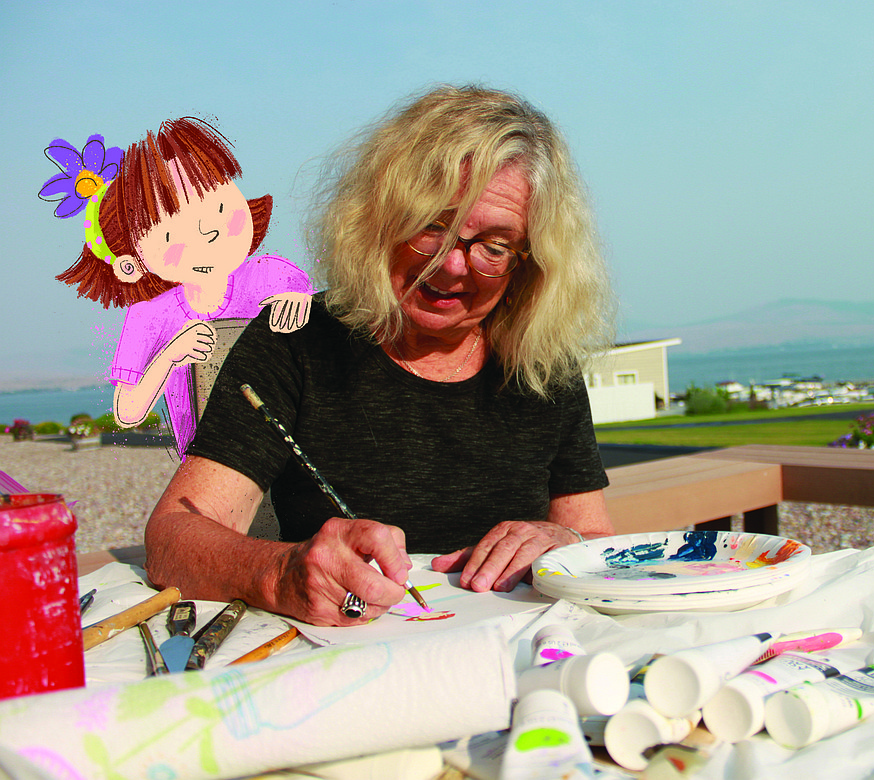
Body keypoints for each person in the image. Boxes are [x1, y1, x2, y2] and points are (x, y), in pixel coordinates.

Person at [144, 85, 617, 626]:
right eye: (431, 226)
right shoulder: (295, 340)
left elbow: (595, 535)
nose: (451, 266)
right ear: (379, 219)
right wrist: (280, 572)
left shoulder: (542, 364)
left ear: (529, 261)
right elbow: (172, 538)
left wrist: (567, 540)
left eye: (493, 244)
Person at [50, 118, 314, 457]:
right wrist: (171, 354)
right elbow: (128, 412)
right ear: (132, 264)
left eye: (219, 207)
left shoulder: (268, 274)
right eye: (173, 235)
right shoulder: (150, 314)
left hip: (287, 447)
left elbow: (313, 308)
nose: (210, 233)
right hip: (206, 458)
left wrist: (300, 301)